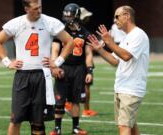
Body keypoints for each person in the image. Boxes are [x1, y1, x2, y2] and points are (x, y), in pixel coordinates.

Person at [0, 0, 74, 135]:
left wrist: (57, 61)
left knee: (38, 121)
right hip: (22, 75)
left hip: (42, 75)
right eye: (35, 8)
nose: (39, 11)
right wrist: (7, 62)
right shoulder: (17, 23)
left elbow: (69, 41)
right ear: (26, 9)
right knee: (15, 119)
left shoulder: (49, 22)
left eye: (40, 7)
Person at [87, 5, 149, 135]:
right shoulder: (126, 37)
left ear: (127, 16)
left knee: (124, 126)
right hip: (121, 87)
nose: (115, 20)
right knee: (130, 126)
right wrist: (100, 49)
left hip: (131, 89)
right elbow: (114, 61)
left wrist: (110, 42)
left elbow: (126, 56)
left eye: (117, 16)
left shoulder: (139, 35)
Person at [49, 3, 93, 135]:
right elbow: (55, 50)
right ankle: (57, 128)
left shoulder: (85, 33)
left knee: (75, 100)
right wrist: (54, 67)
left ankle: (75, 127)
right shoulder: (60, 31)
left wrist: (89, 71)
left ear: (77, 16)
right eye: (66, 15)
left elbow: (88, 53)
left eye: (70, 15)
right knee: (60, 100)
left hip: (79, 69)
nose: (68, 17)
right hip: (63, 68)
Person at [80, 7, 98, 117]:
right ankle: (86, 110)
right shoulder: (84, 32)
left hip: (73, 63)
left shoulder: (69, 30)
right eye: (86, 17)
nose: (88, 18)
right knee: (86, 86)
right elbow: (91, 49)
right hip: (83, 63)